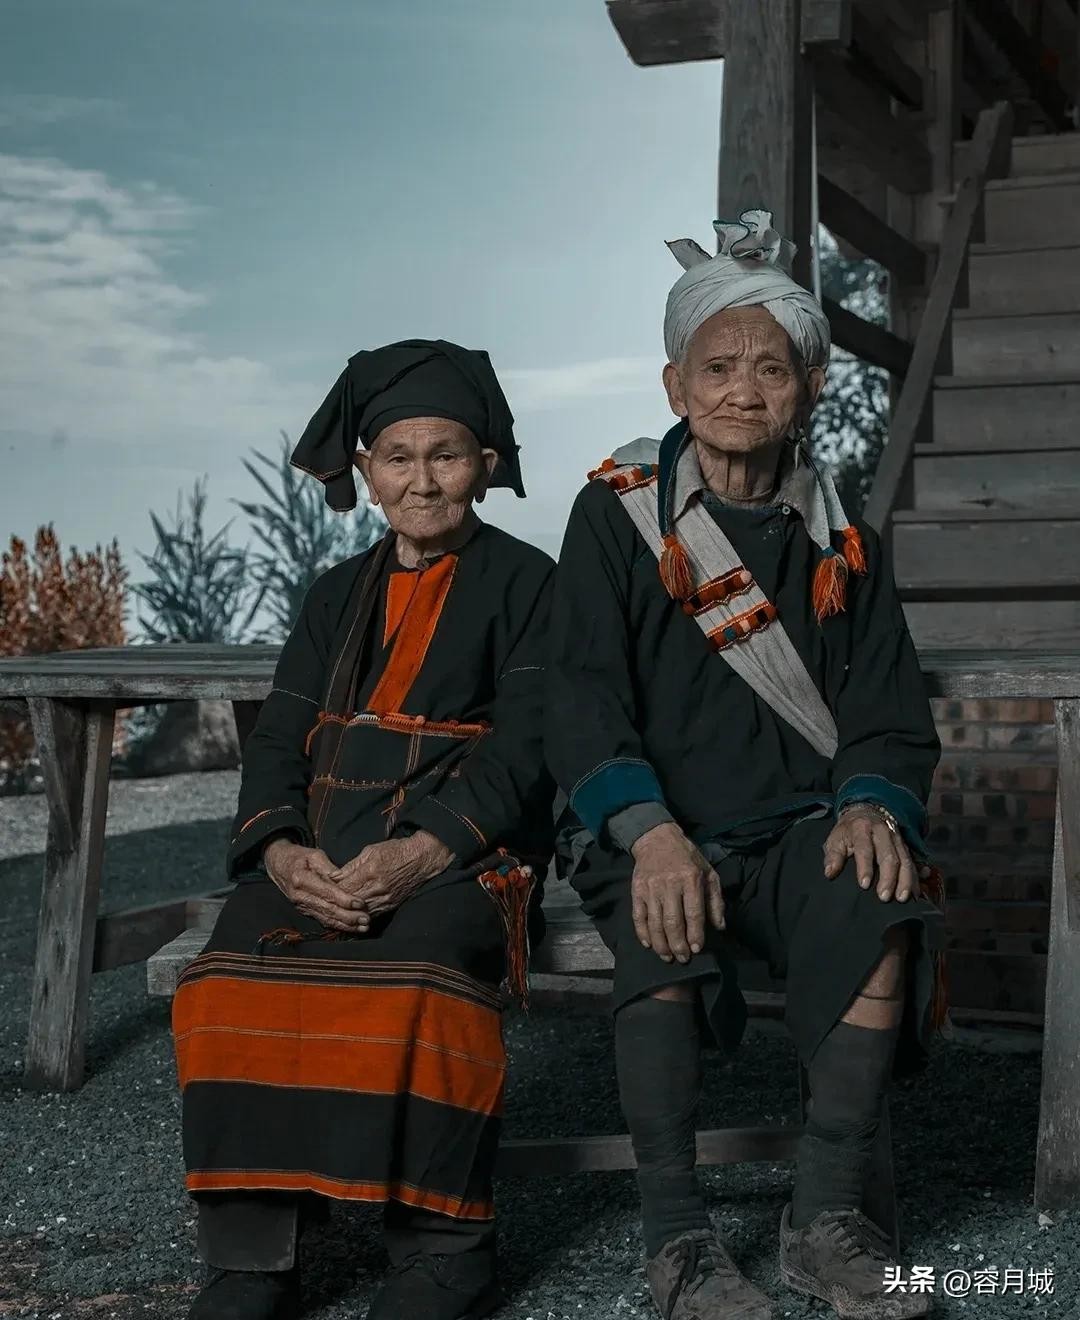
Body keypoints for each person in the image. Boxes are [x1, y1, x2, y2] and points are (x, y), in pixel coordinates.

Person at [545, 211, 946, 1320]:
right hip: (654, 827)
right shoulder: (615, 517)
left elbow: (886, 712)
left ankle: (824, 1221)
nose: (743, 391)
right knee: (662, 922)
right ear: (675, 387)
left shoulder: (842, 546)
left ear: (809, 388)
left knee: (880, 895)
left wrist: (869, 807)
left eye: (771, 369)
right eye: (717, 368)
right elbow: (577, 694)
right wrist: (649, 833)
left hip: (793, 829)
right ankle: (678, 1240)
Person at [174, 339, 555, 1320]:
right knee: (226, 978)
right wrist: (280, 852)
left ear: (484, 464)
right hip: (322, 847)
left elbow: (528, 749)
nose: (423, 480)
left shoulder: (529, 584)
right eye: (398, 457)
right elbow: (278, 740)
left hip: (463, 855)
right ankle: (253, 1258)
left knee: (417, 983)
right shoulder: (334, 593)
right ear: (366, 470)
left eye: (446, 455)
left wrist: (421, 852)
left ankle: (443, 1251)